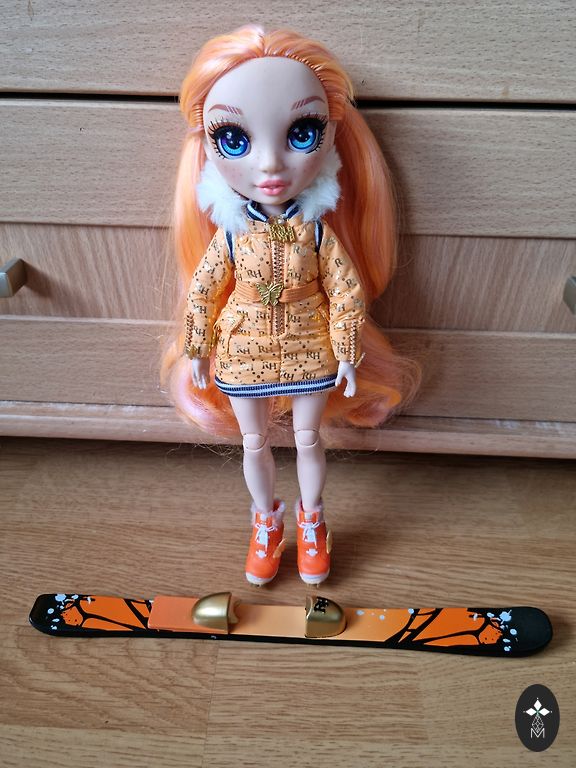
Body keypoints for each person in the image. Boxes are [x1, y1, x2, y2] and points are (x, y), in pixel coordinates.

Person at [162, 26, 420, 587]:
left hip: (310, 345)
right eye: (234, 139)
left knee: (308, 438)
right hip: (242, 348)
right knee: (254, 441)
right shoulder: (231, 236)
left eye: (302, 133)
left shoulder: (318, 233)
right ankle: (264, 522)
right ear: (206, 147)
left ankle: (313, 522)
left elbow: (346, 291)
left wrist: (347, 350)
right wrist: (197, 347)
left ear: (331, 136)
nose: (271, 166)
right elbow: (203, 290)